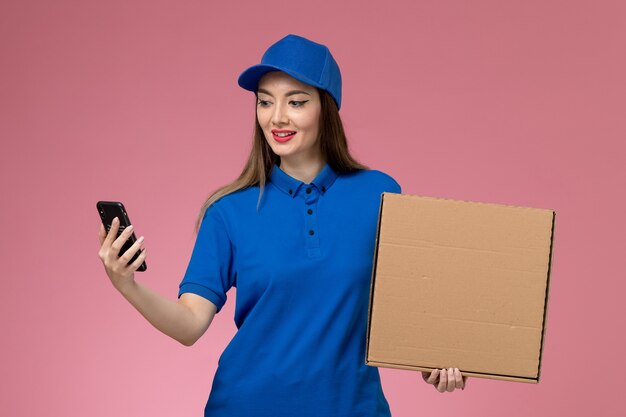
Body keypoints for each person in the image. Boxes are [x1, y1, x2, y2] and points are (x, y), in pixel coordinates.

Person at [98, 34, 467, 417]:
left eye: (296, 101)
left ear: (327, 108)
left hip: (353, 408)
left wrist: (435, 360)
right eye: (265, 102)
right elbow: (189, 324)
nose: (277, 117)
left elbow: (409, 310)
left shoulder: (381, 194)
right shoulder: (229, 211)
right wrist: (127, 284)